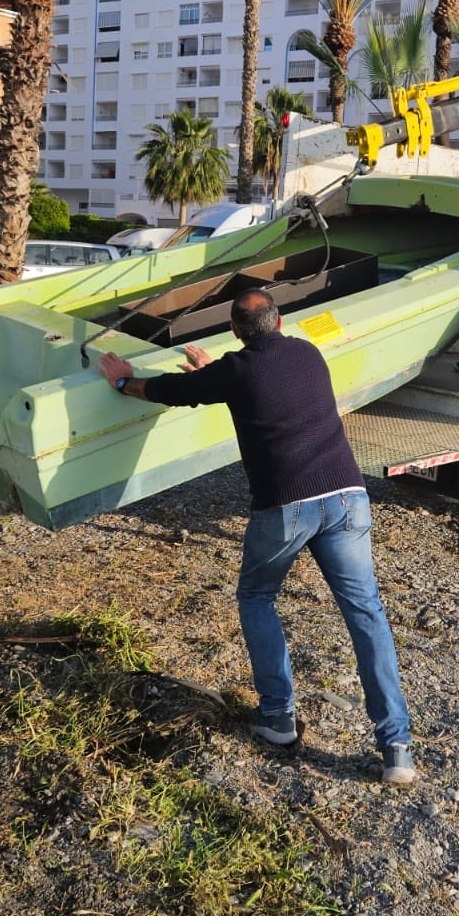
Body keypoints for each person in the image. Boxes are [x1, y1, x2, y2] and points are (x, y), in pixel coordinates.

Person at [97, 288, 416, 785]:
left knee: (257, 595)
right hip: (349, 497)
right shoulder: (307, 354)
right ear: (280, 321)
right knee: (365, 612)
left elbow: (170, 392)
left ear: (234, 331)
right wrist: (214, 372)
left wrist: (122, 382)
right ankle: (396, 747)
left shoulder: (236, 370)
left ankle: (278, 716)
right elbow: (262, 379)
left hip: (286, 505)